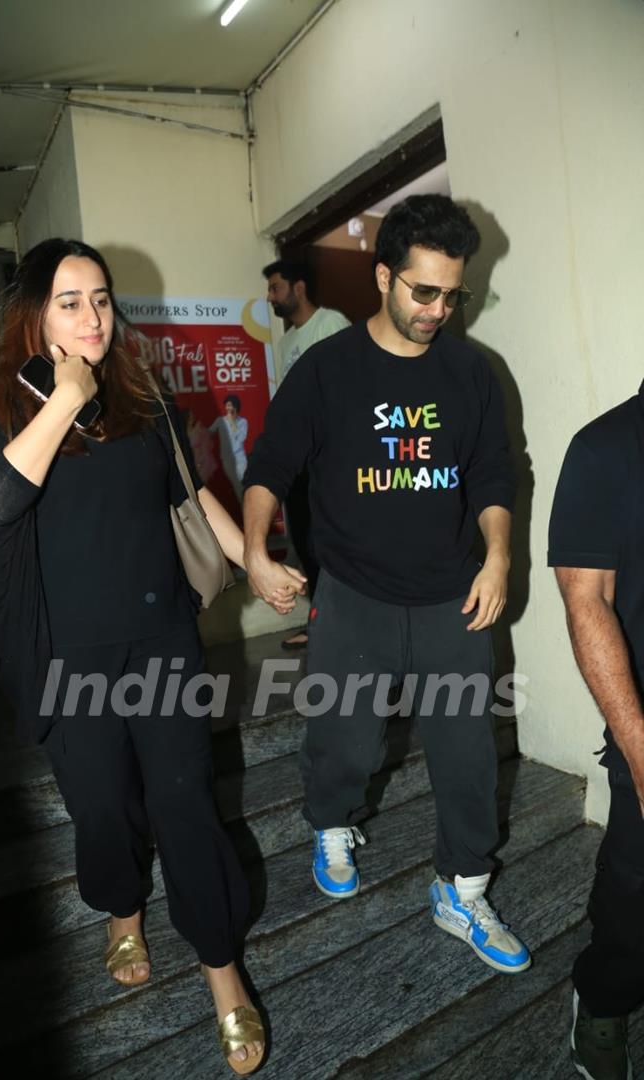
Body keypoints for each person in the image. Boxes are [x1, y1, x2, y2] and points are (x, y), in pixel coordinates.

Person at [0, 238, 297, 1075]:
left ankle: (222, 972)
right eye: (70, 301)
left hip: (160, 643)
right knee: (105, 809)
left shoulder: (142, 395)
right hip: (68, 659)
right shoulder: (3, 407)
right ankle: (121, 910)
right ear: (34, 312)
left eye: (102, 299)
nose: (92, 317)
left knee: (186, 801)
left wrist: (253, 558)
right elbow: (1, 504)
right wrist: (64, 395)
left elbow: (190, 496)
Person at [244, 195, 530, 975]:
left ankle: (463, 889)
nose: (438, 309)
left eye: (452, 294)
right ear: (382, 277)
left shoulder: (473, 372)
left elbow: (495, 474)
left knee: (468, 750)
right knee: (345, 739)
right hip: (356, 594)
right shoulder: (327, 370)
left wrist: (499, 556)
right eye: (422, 291)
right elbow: (270, 466)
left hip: (452, 597)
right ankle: (331, 821)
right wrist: (254, 551)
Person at [548, 386, 644, 1078]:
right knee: (636, 884)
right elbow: (587, 603)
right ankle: (603, 999)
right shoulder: (605, 447)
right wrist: (640, 749)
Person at [263, 259, 350, 649]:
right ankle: (320, 623)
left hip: (330, 458)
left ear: (299, 288)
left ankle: (347, 624)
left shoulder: (330, 324)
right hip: (298, 460)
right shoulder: (285, 342)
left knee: (334, 540)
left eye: (276, 287)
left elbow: (349, 390)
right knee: (307, 541)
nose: (271, 296)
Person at [209, 395, 249, 501]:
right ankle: (243, 506)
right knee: (236, 484)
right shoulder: (220, 420)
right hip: (227, 458)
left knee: (243, 482)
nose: (228, 408)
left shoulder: (243, 422)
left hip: (240, 457)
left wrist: (232, 423)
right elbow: (209, 432)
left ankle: (245, 505)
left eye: (230, 405)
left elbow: (241, 438)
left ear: (236, 407)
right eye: (226, 406)